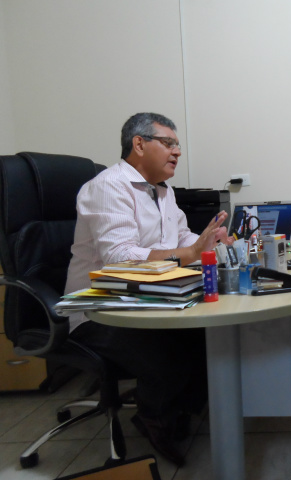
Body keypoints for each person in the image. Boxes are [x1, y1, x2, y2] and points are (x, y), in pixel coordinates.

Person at [64, 112, 232, 466]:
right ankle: (153, 418)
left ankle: (176, 407)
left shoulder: (163, 191)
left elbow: (181, 238)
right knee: (166, 355)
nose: (177, 152)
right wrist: (188, 253)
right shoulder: (108, 186)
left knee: (208, 335)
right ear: (138, 144)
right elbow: (119, 257)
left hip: (147, 299)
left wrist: (211, 243)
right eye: (168, 143)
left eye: (177, 145)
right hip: (102, 310)